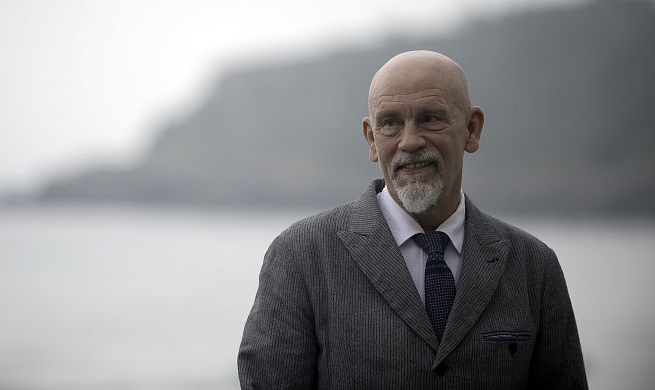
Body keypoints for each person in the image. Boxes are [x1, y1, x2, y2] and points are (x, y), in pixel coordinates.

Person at [238, 50, 587, 389]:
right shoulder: (302, 255)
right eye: (390, 123)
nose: (409, 141)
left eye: (430, 118)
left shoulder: (534, 267)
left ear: (472, 129)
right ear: (371, 138)